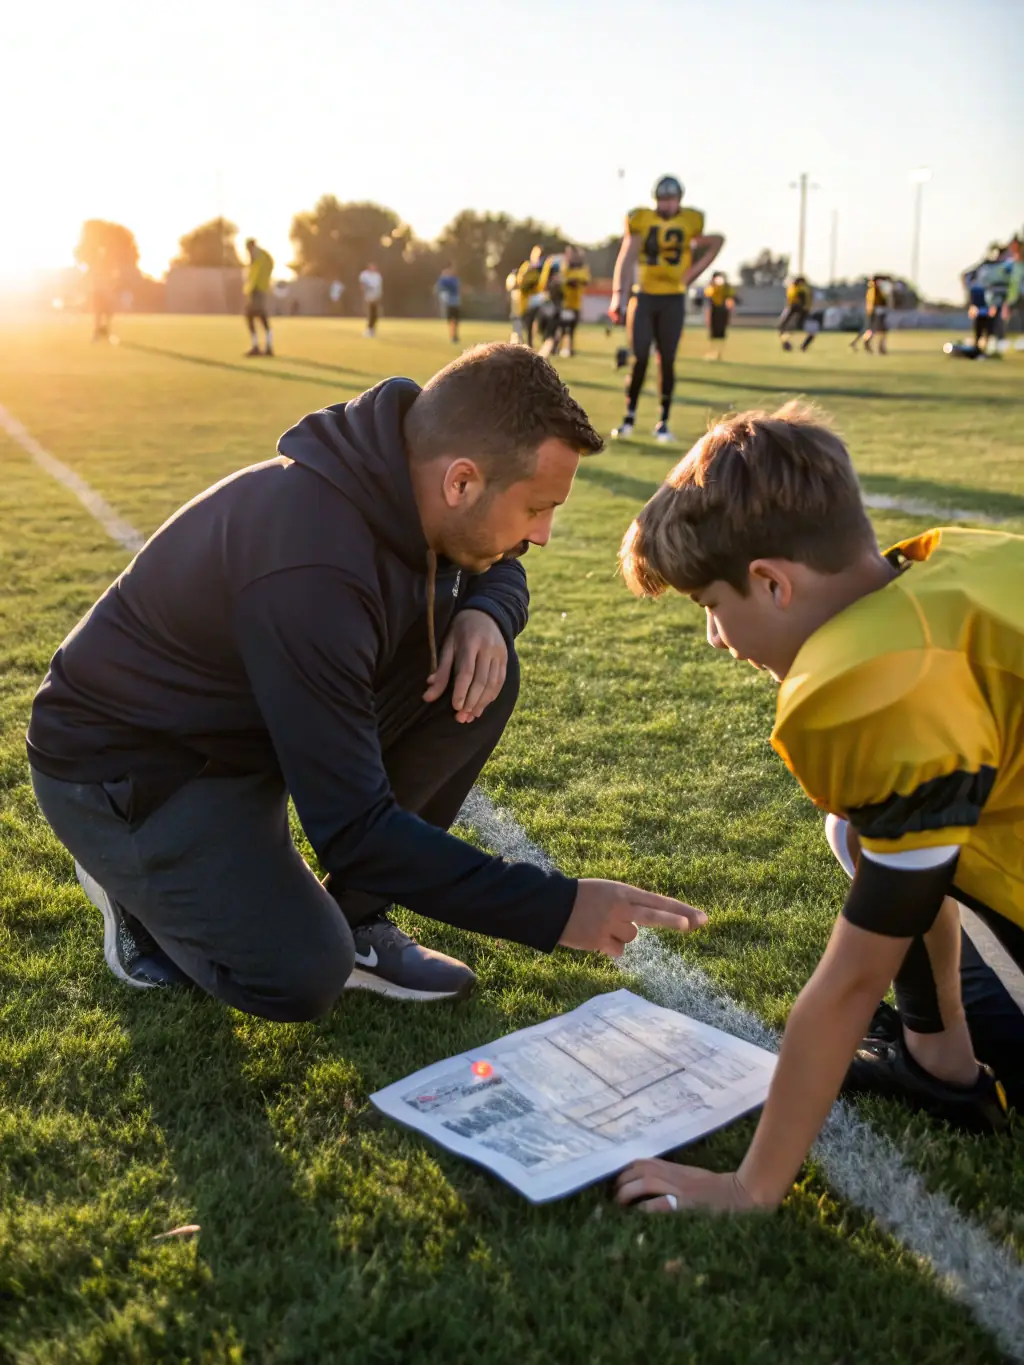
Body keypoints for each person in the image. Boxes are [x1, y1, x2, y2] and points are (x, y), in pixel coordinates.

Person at [28, 343, 704, 1019]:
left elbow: (498, 566)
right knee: (302, 974)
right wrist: (556, 908)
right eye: (536, 508)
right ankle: (137, 896)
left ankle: (356, 915)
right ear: (461, 482)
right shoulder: (312, 566)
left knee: (483, 671)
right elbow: (351, 826)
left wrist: (488, 613)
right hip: (137, 771)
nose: (545, 534)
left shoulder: (407, 479)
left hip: (248, 724)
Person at [614, 404, 1023, 1215]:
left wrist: (751, 1183)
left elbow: (847, 984)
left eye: (709, 604)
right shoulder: (960, 563)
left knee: (873, 838)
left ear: (772, 580)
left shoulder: (881, 687)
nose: (714, 638)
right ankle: (938, 1058)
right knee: (862, 827)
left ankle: (945, 1062)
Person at [608, 175, 723, 443]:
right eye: (662, 199)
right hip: (644, 296)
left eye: (671, 200)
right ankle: (629, 416)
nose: (667, 205)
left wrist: (693, 273)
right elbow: (626, 256)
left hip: (673, 298)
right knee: (640, 357)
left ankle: (663, 422)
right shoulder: (641, 219)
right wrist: (618, 296)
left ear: (679, 200)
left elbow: (716, 241)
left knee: (667, 360)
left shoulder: (691, 220)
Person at [538, 246, 591, 358]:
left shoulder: (581, 268)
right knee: (554, 327)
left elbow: (583, 280)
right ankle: (553, 347)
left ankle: (565, 348)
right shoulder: (558, 264)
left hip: (573, 303)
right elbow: (548, 282)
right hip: (560, 302)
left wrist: (567, 280)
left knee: (569, 328)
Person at [244, 238, 275, 357]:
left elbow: (254, 274)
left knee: (253, 315)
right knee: (261, 316)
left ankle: (257, 346)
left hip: (257, 290)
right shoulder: (263, 256)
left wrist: (257, 284)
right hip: (259, 289)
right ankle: (267, 346)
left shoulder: (257, 256)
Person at [510, 246, 546, 347]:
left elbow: (541, 284)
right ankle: (518, 344)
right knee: (519, 325)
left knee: (531, 324)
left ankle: (530, 344)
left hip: (534, 301)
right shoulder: (526, 266)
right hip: (521, 302)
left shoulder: (542, 269)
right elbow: (521, 283)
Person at [851, 276, 892, 354]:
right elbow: (878, 301)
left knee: (871, 329)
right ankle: (872, 344)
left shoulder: (873, 289)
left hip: (874, 311)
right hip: (877, 311)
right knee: (874, 329)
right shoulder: (875, 290)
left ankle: (862, 342)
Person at [702, 271, 736, 360]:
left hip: (722, 311)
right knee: (713, 333)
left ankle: (719, 353)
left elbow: (730, 298)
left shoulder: (727, 287)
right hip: (714, 311)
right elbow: (707, 294)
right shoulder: (711, 286)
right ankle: (712, 351)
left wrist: (730, 311)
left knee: (721, 333)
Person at [89, 245, 119, 343]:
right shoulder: (97, 266)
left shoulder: (108, 266)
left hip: (105, 293)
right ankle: (96, 335)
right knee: (98, 314)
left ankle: (105, 334)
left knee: (107, 315)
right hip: (99, 293)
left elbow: (114, 278)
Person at [778, 276, 810, 351]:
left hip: (796, 311)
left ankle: (788, 343)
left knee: (788, 328)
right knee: (784, 327)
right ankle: (786, 343)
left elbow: (802, 303)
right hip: (793, 309)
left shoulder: (800, 290)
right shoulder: (795, 288)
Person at [435, 264, 461, 344]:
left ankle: (455, 335)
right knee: (451, 320)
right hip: (449, 302)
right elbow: (439, 287)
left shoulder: (454, 279)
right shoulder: (444, 280)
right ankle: (453, 335)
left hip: (455, 302)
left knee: (456, 320)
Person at [360, 262, 383, 338]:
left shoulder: (377, 276)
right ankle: (369, 329)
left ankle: (372, 329)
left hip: (376, 296)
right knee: (370, 313)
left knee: (375, 314)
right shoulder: (365, 275)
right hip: (369, 297)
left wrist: (378, 295)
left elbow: (379, 287)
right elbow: (362, 286)